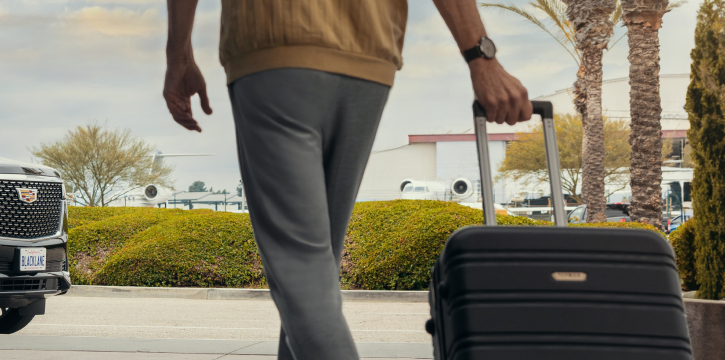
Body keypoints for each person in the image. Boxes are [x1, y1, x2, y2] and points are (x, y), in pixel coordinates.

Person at [162, 0, 531, 358]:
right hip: (369, 49)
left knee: (301, 270)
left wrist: (177, 56)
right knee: (314, 275)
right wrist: (482, 59)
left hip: (275, 40)